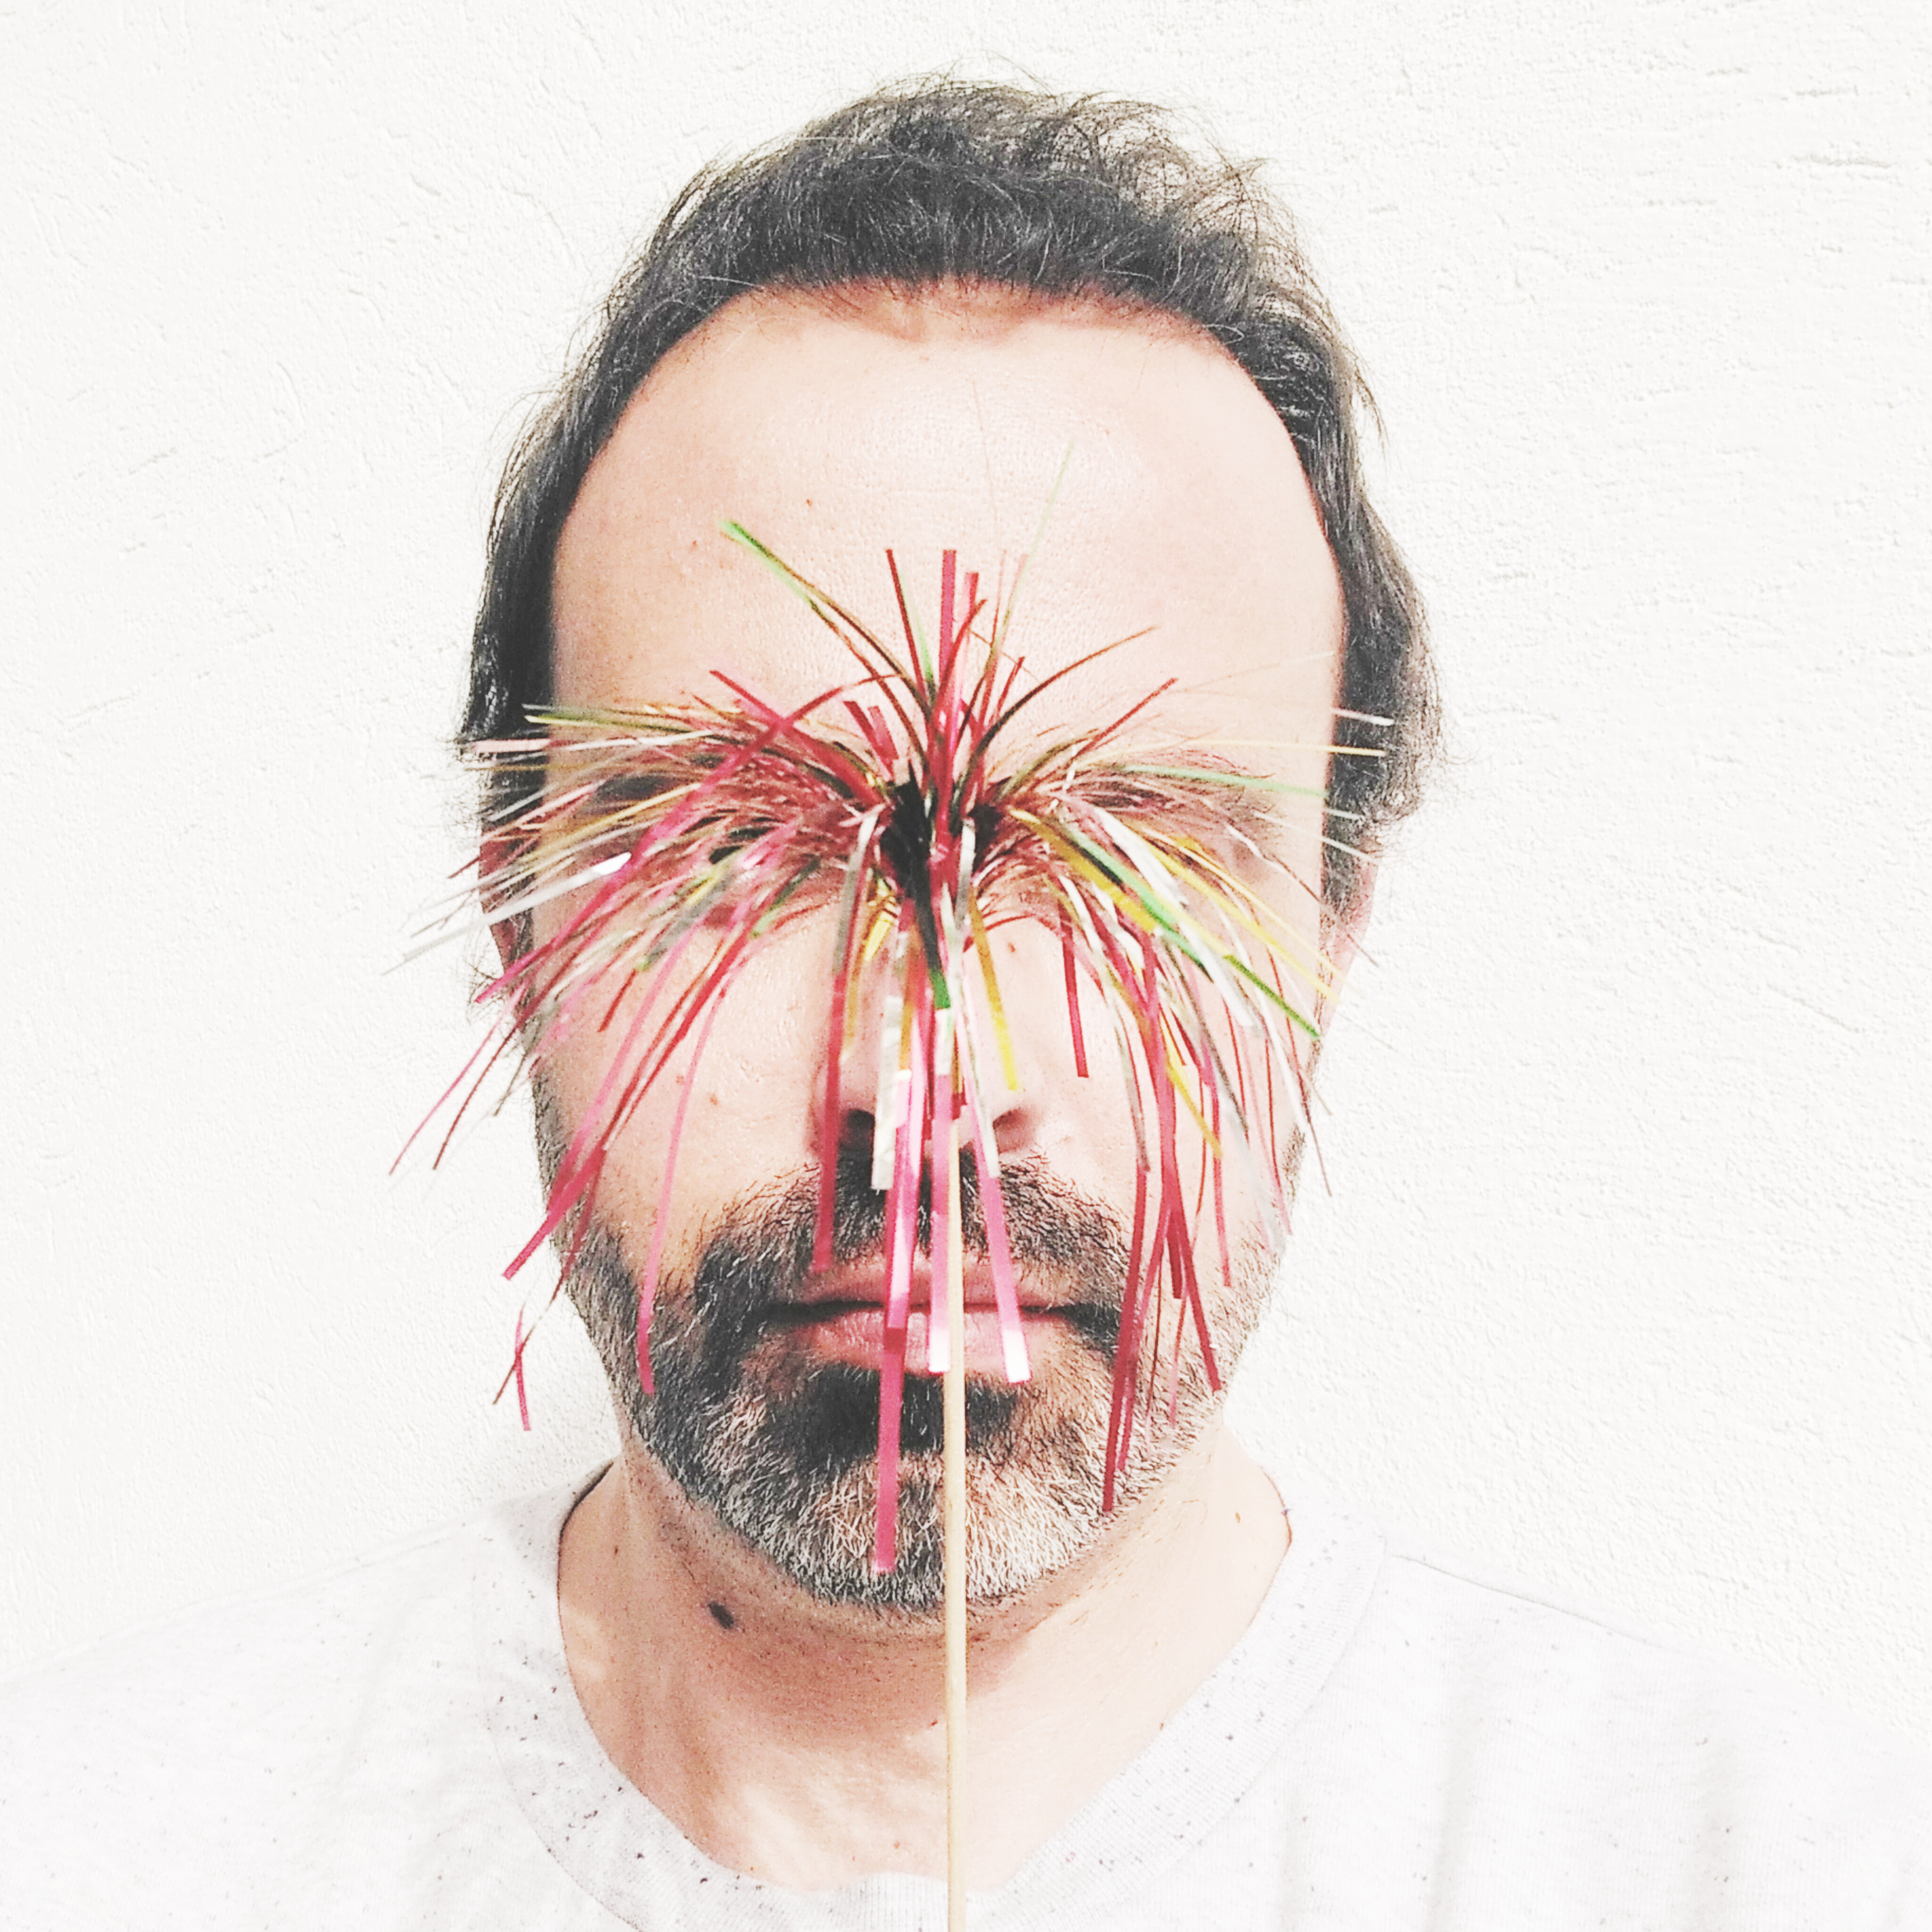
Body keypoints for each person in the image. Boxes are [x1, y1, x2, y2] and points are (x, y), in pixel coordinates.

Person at [2, 79, 1926, 1932]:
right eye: (732, 852)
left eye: (1130, 863)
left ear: (1331, 930)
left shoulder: (1787, 1884)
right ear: (518, 915)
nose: (925, 1085)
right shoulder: (88, 1861)